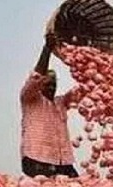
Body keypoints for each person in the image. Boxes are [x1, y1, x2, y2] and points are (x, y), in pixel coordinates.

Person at [19, 35, 79, 178]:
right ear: (40, 85)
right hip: (37, 159)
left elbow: (83, 90)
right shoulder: (29, 98)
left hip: (63, 161)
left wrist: (91, 67)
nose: (51, 87)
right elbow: (37, 75)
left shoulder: (61, 102)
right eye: (48, 83)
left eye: (54, 83)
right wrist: (47, 49)